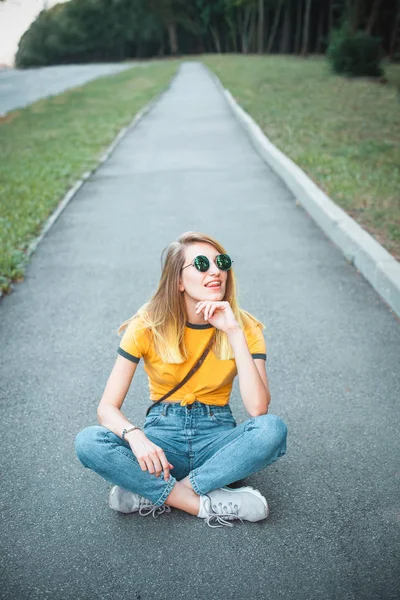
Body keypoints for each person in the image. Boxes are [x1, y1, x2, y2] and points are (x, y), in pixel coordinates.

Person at [75, 231, 287, 528]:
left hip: (217, 442)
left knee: (272, 429)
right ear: (177, 281)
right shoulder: (147, 325)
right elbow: (106, 408)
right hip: (162, 443)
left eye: (221, 262)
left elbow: (258, 409)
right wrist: (136, 437)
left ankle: (157, 494)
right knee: (88, 441)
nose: (215, 271)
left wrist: (233, 332)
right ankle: (203, 503)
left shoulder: (245, 327)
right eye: (201, 264)